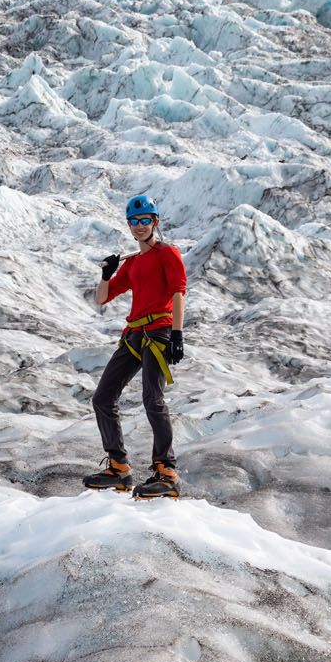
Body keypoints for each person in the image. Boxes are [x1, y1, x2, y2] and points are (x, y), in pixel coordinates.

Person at [83, 195, 187, 498]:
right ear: (128, 225)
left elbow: (179, 293)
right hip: (134, 335)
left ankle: (167, 472)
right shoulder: (133, 263)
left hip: (159, 331)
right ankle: (119, 468)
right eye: (134, 221)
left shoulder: (168, 253)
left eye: (145, 221)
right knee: (103, 398)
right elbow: (102, 298)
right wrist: (107, 274)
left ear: (155, 221)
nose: (140, 226)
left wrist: (177, 335)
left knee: (153, 398)